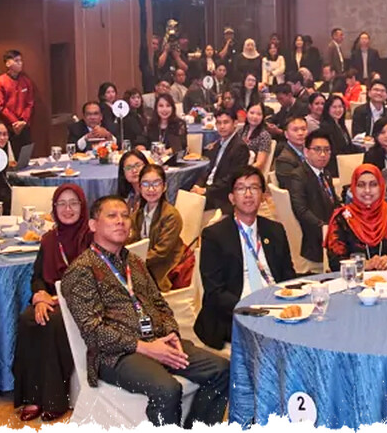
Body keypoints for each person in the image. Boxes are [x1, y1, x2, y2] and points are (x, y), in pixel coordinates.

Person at [60, 195, 229, 427]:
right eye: (112, 216)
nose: (120, 221)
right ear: (93, 225)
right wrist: (145, 348)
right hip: (115, 356)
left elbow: (160, 304)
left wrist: (171, 333)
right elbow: (93, 331)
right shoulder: (82, 270)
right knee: (167, 389)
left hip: (157, 341)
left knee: (221, 370)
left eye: (125, 216)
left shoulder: (135, 262)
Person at [13, 184, 91, 422]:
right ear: (54, 209)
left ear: (82, 206)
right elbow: (38, 276)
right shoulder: (49, 239)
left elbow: (93, 279)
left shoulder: (91, 237)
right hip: (52, 299)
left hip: (83, 301)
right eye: (61, 204)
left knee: (53, 322)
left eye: (73, 203)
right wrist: (39, 296)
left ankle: (54, 399)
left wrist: (56, 299)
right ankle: (32, 396)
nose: (68, 209)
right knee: (28, 319)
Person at [196, 167, 296, 349]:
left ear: (263, 196)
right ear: (232, 197)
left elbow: (288, 275)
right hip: (236, 312)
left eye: (254, 188)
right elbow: (214, 291)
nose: (248, 194)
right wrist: (252, 308)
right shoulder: (214, 235)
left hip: (275, 306)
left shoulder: (275, 230)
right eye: (241, 188)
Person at [325, 164, 387, 270]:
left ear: (381, 187)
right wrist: (364, 265)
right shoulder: (342, 218)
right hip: (356, 277)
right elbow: (335, 263)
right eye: (361, 185)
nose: (367, 190)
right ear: (353, 188)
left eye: (373, 185)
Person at [284, 131, 341, 267]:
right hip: (314, 235)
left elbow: (334, 202)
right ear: (306, 152)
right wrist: (323, 227)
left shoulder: (325, 173)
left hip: (331, 227)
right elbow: (301, 210)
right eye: (317, 149)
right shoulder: (298, 176)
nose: (323, 154)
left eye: (327, 150)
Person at [129, 164, 185, 290]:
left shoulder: (171, 215)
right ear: (139, 187)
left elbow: (161, 252)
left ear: (164, 186)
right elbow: (132, 240)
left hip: (162, 268)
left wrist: (133, 262)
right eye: (145, 184)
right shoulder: (138, 213)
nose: (151, 189)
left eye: (156, 183)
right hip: (144, 263)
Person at [0, 49, 37, 148]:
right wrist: (14, 122)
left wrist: (23, 121)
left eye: (21, 60)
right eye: (16, 60)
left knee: (25, 153)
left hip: (24, 125)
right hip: (7, 126)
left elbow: (30, 103)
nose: (20, 63)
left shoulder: (26, 81)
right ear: (8, 63)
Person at [272, 117, 312, 183]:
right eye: (295, 130)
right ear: (286, 134)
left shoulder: (310, 151)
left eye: (303, 129)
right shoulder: (284, 159)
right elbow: (293, 185)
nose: (300, 133)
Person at [238, 102, 274, 170]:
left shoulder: (264, 136)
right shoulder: (241, 131)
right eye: (251, 113)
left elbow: (259, 164)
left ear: (263, 117)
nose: (254, 117)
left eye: (259, 114)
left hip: (251, 171)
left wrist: (243, 171)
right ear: (247, 113)